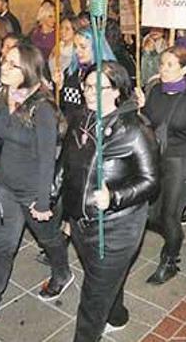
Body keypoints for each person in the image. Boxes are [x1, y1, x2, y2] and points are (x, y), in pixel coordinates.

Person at [0, 43, 72, 324]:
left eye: (12, 64)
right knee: (3, 245)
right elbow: (3, 135)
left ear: (28, 70)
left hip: (33, 189)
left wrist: (43, 202)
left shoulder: (42, 108)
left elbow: (47, 158)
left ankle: (62, 272)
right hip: (5, 187)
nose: (4, 67)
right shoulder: (3, 96)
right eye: (4, 62)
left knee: (49, 239)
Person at [61, 62, 158, 341]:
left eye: (98, 87)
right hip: (83, 221)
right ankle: (116, 314)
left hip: (116, 228)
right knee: (100, 277)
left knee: (92, 298)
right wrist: (59, 205)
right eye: (87, 86)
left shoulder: (135, 129)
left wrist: (113, 197)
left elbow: (151, 181)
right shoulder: (81, 117)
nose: (90, 93)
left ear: (117, 91)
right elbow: (67, 163)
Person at [139, 48, 186, 284]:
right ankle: (171, 245)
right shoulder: (155, 92)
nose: (163, 68)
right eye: (162, 63)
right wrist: (141, 108)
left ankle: (170, 260)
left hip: (185, 161)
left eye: (170, 64)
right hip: (159, 157)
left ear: (183, 70)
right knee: (153, 214)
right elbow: (149, 126)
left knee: (170, 215)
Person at [59, 28, 116, 117]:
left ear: (95, 47)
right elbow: (63, 106)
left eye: (83, 47)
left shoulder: (109, 75)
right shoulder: (70, 72)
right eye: (75, 46)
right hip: (73, 127)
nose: (77, 51)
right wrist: (59, 87)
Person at [48, 15, 76, 81]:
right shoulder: (58, 46)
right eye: (61, 28)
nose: (62, 31)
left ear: (75, 30)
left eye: (67, 29)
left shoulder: (76, 51)